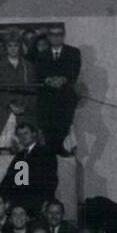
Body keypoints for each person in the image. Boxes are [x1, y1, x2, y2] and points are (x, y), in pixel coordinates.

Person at [33, 23, 81, 154]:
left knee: (63, 129)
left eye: (59, 34)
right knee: (48, 131)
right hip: (47, 100)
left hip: (65, 99)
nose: (56, 38)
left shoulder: (73, 52)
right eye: (53, 34)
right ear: (48, 37)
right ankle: (51, 153)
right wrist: (48, 80)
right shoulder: (42, 55)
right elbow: (38, 74)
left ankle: (58, 150)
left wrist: (63, 79)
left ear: (63, 35)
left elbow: (74, 73)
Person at [0, 121, 58, 215]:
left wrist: (46, 202)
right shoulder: (19, 156)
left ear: (34, 134)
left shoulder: (46, 152)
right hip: (19, 204)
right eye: (19, 134)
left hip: (38, 204)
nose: (23, 137)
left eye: (26, 133)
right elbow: (8, 179)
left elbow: (51, 180)